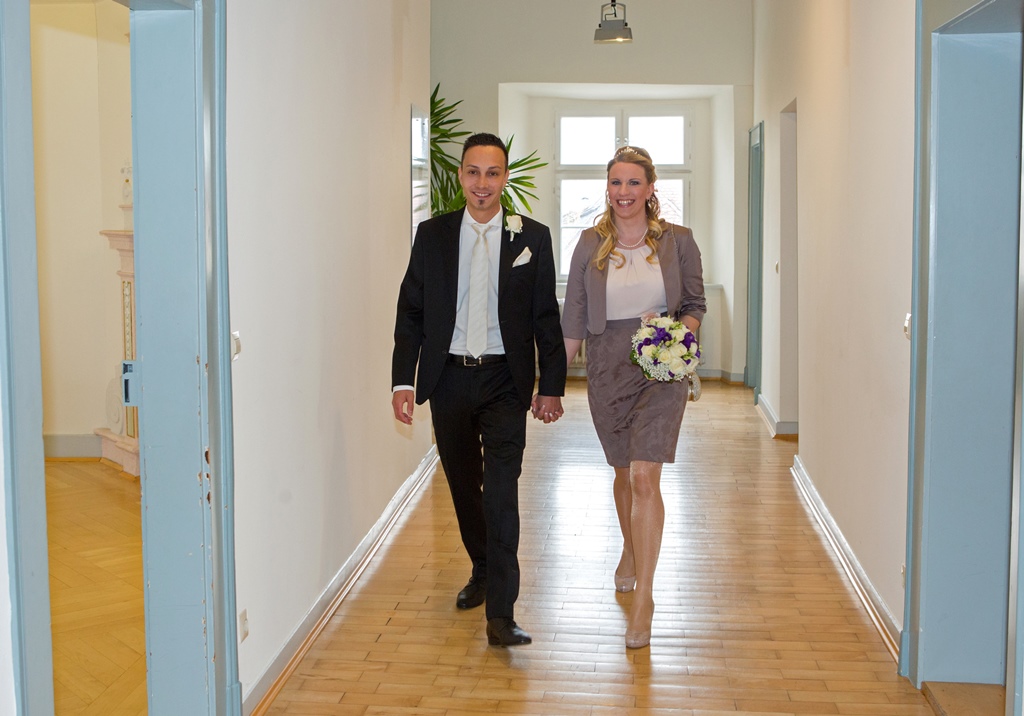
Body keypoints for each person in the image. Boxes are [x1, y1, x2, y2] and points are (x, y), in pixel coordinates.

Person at [391, 133, 567, 647]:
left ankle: (501, 614)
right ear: (462, 175)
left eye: (493, 173)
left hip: (503, 382)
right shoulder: (433, 235)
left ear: (505, 177)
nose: (482, 183)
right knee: (464, 487)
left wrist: (550, 385)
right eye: (473, 172)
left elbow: (544, 318)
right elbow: (411, 313)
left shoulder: (531, 237)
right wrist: (405, 378)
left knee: (502, 493)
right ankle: (483, 567)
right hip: (447, 378)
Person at [561, 145, 706, 649]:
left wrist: (675, 340)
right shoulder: (588, 243)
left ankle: (644, 596)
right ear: (609, 189)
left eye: (633, 183)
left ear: (650, 189)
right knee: (623, 472)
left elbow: (694, 303)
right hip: (606, 366)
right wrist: (550, 381)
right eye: (615, 183)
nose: (623, 192)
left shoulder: (678, 241)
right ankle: (630, 545)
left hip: (661, 364)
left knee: (646, 472)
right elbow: (574, 315)